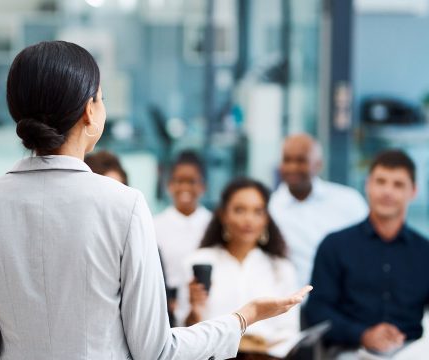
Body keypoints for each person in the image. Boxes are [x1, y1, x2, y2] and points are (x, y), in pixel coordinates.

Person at [0, 40, 311, 360]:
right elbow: (156, 350)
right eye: (100, 97)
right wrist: (245, 317)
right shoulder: (125, 206)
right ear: (88, 111)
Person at [304, 150, 429, 357]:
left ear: (413, 191)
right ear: (367, 185)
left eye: (398, 185)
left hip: (412, 350)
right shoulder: (335, 245)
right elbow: (317, 310)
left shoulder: (425, 252)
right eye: (380, 182)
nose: (387, 191)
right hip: (351, 349)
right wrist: (363, 334)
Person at [178, 178, 299, 346]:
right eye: (239, 210)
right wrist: (195, 311)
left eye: (258, 211)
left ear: (266, 218)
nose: (249, 219)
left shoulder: (281, 268)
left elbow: (288, 331)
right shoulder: (198, 261)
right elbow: (182, 332)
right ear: (223, 215)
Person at [269, 134, 368, 287]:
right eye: (287, 160)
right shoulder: (269, 208)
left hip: (343, 301)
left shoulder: (349, 201)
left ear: (318, 164)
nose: (292, 167)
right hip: (290, 303)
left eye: (301, 160)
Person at [155, 151, 212, 292]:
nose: (185, 187)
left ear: (203, 187)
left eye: (192, 181)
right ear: (170, 185)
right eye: (179, 181)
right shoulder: (155, 225)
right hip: (169, 308)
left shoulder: (213, 224)